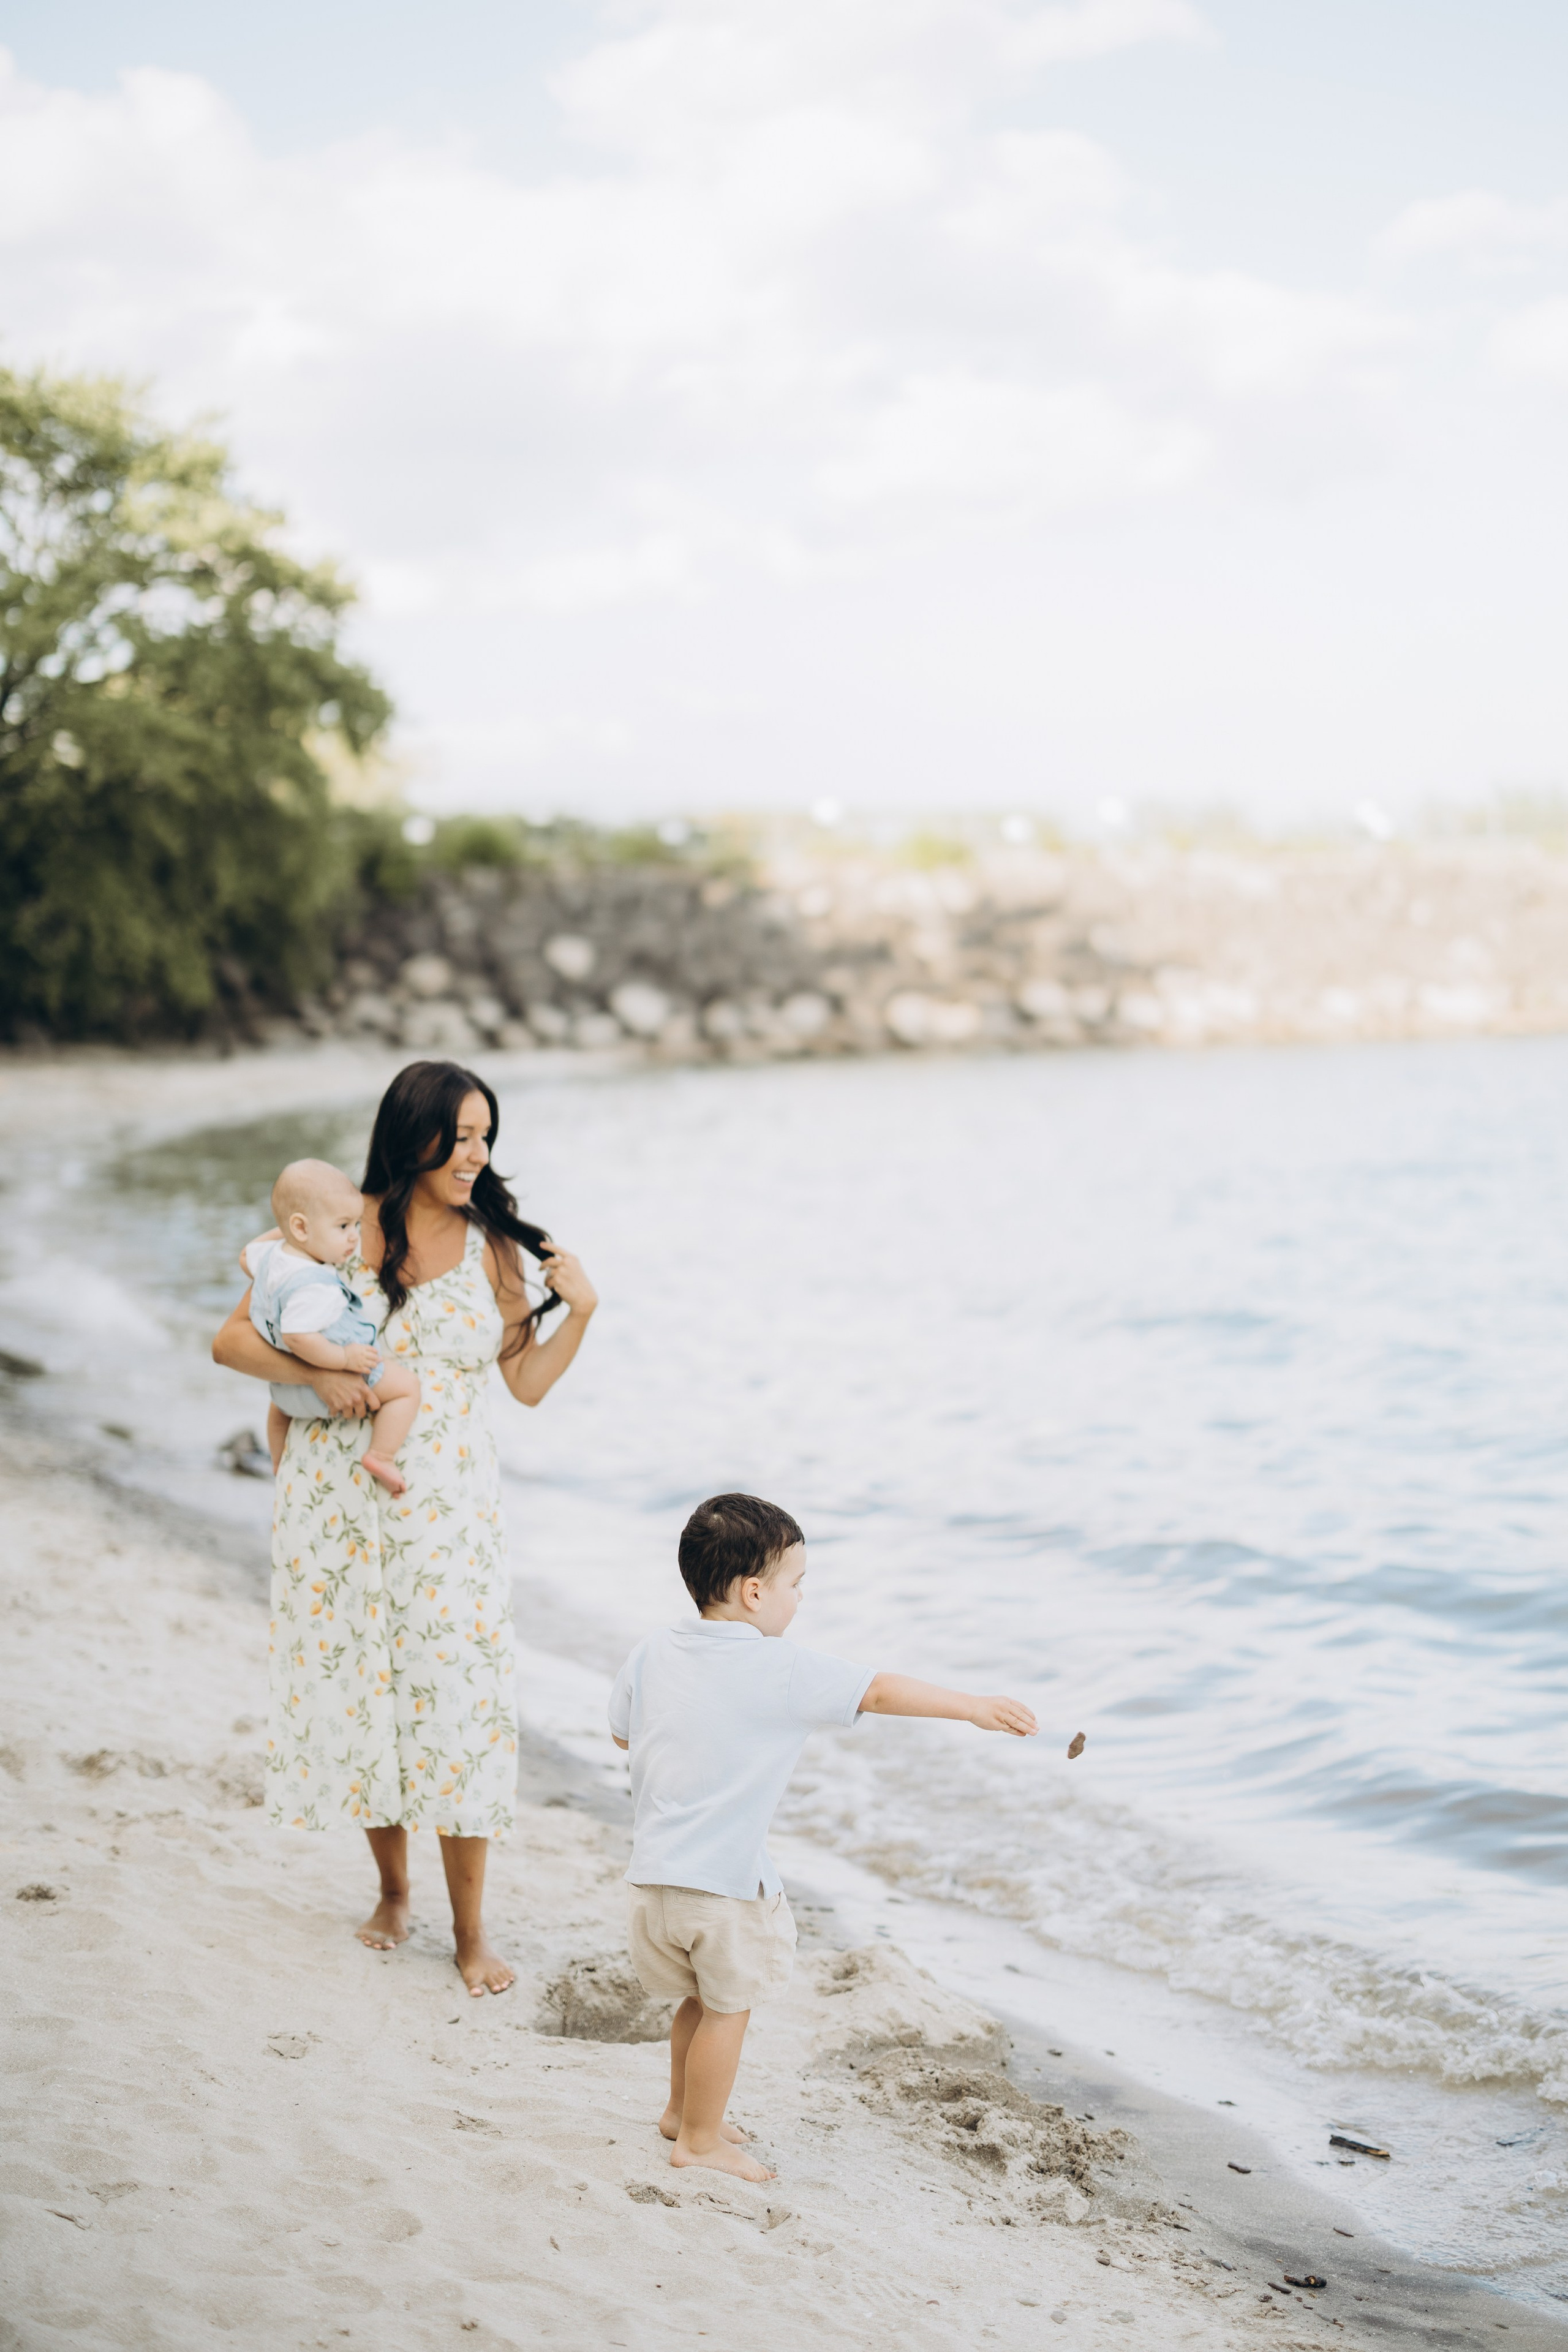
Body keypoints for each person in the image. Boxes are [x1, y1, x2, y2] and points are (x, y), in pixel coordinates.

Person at [213, 1058, 598, 1995]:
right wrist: (322, 1377)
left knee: (458, 1705)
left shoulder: (497, 1249)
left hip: (452, 1512)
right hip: (337, 1499)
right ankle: (393, 1893)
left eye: (485, 1137)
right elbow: (232, 1339)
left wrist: (580, 1312)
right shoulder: (347, 1221)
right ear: (414, 1133)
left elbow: (528, 1386)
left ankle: (471, 1932)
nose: (476, 1154)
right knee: (362, 1696)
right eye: (460, 1135)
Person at [608, 1493, 1082, 2181]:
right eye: (796, 1585)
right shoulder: (783, 1667)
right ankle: (701, 2141)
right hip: (725, 1887)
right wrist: (972, 1708)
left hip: (653, 1880)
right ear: (752, 1592)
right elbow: (880, 1691)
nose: (799, 1600)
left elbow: (624, 1731)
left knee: (697, 2000)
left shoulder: (654, 1649)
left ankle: (682, 2113)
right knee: (727, 2010)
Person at [239, 1158, 421, 1492]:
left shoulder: (272, 1258)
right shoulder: (316, 1286)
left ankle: (279, 1461)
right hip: (340, 1378)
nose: (354, 1238)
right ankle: (381, 1455)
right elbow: (298, 1336)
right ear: (301, 1228)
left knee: (278, 1413)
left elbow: (244, 1256)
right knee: (408, 1388)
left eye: (356, 1226)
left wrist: (288, 1231)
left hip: (285, 1392)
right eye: (342, 1227)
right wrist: (344, 1360)